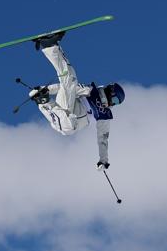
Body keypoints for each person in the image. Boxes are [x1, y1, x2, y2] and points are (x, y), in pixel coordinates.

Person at [29, 32, 125, 169]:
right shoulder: (90, 91)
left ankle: (44, 103)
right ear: (110, 91)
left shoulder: (104, 115)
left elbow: (103, 139)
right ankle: (50, 46)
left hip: (69, 123)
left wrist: (103, 160)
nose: (112, 103)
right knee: (70, 78)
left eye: (115, 103)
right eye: (114, 99)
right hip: (66, 107)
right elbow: (66, 87)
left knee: (69, 126)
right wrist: (46, 90)